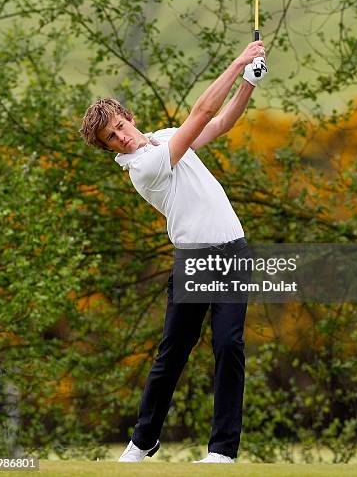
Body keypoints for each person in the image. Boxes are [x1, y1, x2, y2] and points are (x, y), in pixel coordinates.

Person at [80, 40, 267, 463]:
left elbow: (218, 125)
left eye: (120, 126)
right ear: (109, 148)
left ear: (129, 117)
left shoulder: (163, 138)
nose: (121, 138)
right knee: (173, 352)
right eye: (112, 138)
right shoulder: (142, 168)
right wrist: (238, 61)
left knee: (229, 345)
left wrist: (248, 85)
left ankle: (222, 451)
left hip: (233, 252)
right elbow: (200, 113)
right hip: (193, 261)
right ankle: (143, 441)